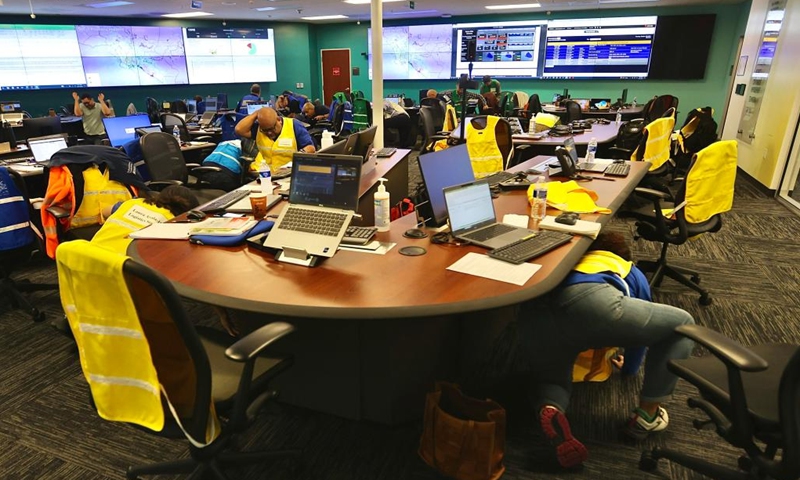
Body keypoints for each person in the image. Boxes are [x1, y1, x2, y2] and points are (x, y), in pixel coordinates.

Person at [517, 232, 695, 469]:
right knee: (682, 325)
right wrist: (630, 368)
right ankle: (647, 417)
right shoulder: (626, 266)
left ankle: (551, 408)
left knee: (553, 379)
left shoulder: (574, 260)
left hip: (536, 312)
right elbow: (644, 334)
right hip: (590, 304)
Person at [234, 106, 315, 172]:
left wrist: (298, 156)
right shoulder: (259, 128)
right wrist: (256, 114)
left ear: (278, 120)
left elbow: (310, 148)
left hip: (290, 173)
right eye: (265, 130)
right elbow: (239, 129)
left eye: (272, 128)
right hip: (267, 176)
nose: (269, 133)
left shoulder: (294, 125)